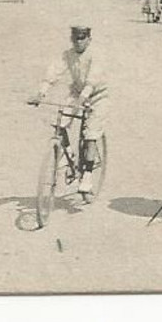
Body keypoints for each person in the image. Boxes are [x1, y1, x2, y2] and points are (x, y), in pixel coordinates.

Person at [28, 24, 108, 200]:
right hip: (77, 92)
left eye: (82, 38)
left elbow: (93, 80)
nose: (78, 42)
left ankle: (87, 175)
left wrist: (84, 98)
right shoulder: (68, 55)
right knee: (60, 121)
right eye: (75, 39)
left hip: (97, 96)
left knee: (91, 134)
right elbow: (53, 72)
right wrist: (41, 93)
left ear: (89, 39)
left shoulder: (96, 55)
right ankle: (68, 156)